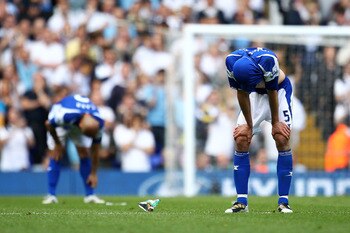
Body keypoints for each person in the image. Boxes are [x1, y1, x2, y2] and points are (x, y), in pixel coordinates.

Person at [224, 47, 293, 213]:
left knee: (281, 137)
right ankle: (241, 202)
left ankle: (284, 201)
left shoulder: (267, 60)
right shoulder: (231, 61)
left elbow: (272, 92)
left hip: (279, 92)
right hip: (253, 96)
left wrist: (276, 122)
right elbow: (241, 93)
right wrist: (248, 125)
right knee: (241, 138)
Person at [42, 94, 105, 204]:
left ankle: (90, 195)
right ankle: (51, 195)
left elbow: (95, 149)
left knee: (85, 153)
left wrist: (94, 173)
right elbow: (48, 124)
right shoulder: (65, 115)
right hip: (60, 124)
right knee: (56, 154)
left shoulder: (99, 123)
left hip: (79, 120)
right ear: (81, 126)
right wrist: (58, 144)